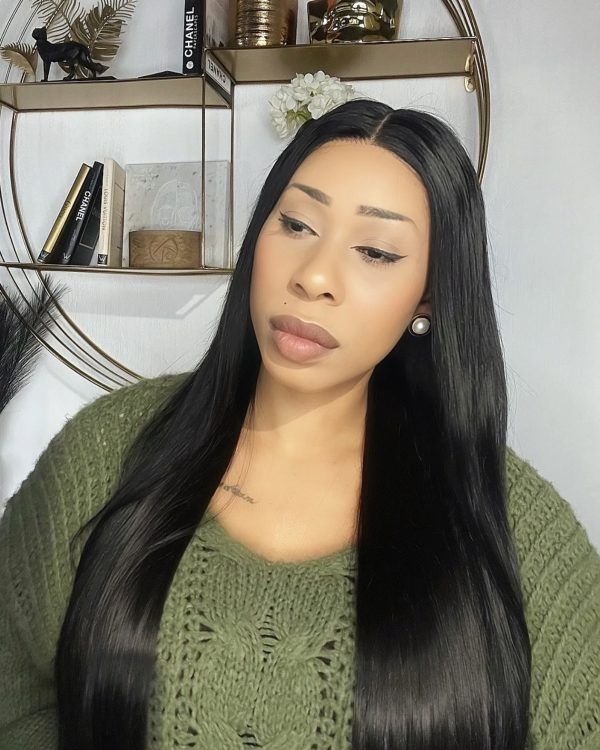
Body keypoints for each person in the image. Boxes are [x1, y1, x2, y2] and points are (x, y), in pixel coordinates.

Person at [0, 99, 598, 750]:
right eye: (296, 224)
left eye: (375, 251)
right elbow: (14, 699)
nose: (314, 277)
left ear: (428, 294)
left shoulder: (507, 519)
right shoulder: (106, 450)